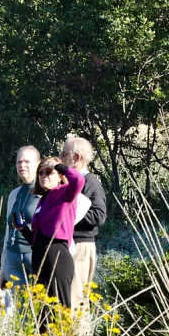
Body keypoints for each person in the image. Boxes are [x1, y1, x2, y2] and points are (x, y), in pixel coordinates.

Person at [16, 157, 84, 310]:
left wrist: (59, 166)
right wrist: (23, 229)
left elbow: (79, 180)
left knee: (59, 308)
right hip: (40, 254)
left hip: (56, 254)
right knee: (42, 309)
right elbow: (36, 240)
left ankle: (63, 334)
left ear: (60, 177)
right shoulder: (43, 199)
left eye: (48, 172)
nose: (43, 176)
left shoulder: (66, 192)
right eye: (40, 172)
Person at [61, 135, 107, 316]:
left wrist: (68, 214)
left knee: (76, 300)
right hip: (67, 245)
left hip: (81, 246)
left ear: (77, 158)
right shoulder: (67, 182)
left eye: (63, 153)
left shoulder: (91, 183)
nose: (61, 157)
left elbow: (99, 216)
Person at [0, 145, 41, 292]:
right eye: (19, 162)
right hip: (13, 257)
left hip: (36, 257)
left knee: (40, 305)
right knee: (18, 308)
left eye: (27, 162)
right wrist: (3, 268)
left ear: (38, 164)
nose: (22, 165)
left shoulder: (47, 191)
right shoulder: (14, 194)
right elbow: (8, 231)